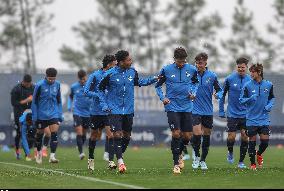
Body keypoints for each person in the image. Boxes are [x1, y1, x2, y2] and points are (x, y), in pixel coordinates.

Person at [98, 50, 158, 173]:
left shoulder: (132, 72)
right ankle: (121, 162)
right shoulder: (109, 74)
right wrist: (104, 105)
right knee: (117, 134)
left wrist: (154, 79)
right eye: (128, 60)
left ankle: (119, 155)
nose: (131, 61)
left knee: (126, 136)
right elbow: (100, 90)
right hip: (114, 109)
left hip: (129, 110)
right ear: (121, 62)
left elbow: (139, 82)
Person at [155, 47, 199, 174]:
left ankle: (180, 152)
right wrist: (163, 97)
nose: (181, 63)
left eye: (183, 61)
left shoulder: (191, 69)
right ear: (174, 59)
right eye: (179, 61)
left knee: (187, 136)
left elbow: (195, 83)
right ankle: (176, 164)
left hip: (187, 106)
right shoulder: (166, 69)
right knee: (175, 133)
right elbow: (158, 86)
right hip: (172, 106)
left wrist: (193, 93)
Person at [84, 54, 117, 171]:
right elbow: (86, 91)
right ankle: (91, 159)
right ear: (109, 65)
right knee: (94, 136)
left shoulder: (114, 75)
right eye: (114, 64)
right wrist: (98, 94)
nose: (116, 66)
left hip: (108, 111)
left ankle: (111, 161)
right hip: (96, 111)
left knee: (111, 135)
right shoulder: (95, 75)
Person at [240, 63, 275, 170]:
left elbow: (272, 98)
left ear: (259, 72)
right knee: (252, 142)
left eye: (253, 72)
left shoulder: (268, 85)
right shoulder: (247, 85)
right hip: (251, 119)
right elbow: (241, 100)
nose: (251, 73)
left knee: (265, 142)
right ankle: (253, 164)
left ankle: (259, 153)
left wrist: (269, 105)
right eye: (250, 71)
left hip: (264, 119)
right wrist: (250, 98)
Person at [191, 52, 223, 170]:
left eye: (201, 63)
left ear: (205, 63)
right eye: (197, 63)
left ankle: (203, 160)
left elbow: (220, 90)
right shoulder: (191, 75)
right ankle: (196, 156)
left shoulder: (212, 76)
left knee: (207, 135)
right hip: (195, 110)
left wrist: (218, 95)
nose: (199, 65)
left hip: (208, 111)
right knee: (197, 133)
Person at [219, 57, 251, 168]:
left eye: (243, 67)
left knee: (245, 136)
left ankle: (241, 162)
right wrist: (221, 110)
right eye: (239, 67)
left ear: (246, 68)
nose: (241, 69)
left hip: (246, 114)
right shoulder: (229, 79)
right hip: (232, 113)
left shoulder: (250, 80)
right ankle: (230, 151)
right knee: (231, 137)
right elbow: (222, 95)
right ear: (236, 67)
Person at [32, 68, 63, 164]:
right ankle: (39, 153)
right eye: (50, 79)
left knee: (54, 134)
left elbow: (59, 100)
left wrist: (60, 114)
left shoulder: (57, 85)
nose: (51, 81)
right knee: (39, 135)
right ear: (46, 76)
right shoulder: (39, 85)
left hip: (53, 114)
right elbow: (34, 101)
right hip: (41, 115)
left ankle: (52, 156)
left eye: (53, 79)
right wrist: (35, 115)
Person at [68, 69, 92, 160]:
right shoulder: (74, 87)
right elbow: (70, 97)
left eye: (84, 79)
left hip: (88, 113)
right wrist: (70, 106)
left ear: (86, 77)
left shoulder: (90, 86)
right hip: (77, 112)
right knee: (79, 131)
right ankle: (81, 152)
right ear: (78, 78)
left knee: (84, 133)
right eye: (81, 79)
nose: (82, 81)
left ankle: (80, 146)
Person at [10, 74, 34, 159]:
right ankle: (17, 151)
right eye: (26, 84)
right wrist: (26, 101)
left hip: (30, 114)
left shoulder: (33, 87)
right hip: (19, 114)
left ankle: (27, 151)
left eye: (29, 84)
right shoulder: (16, 89)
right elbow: (14, 103)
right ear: (23, 81)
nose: (28, 85)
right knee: (19, 133)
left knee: (31, 133)